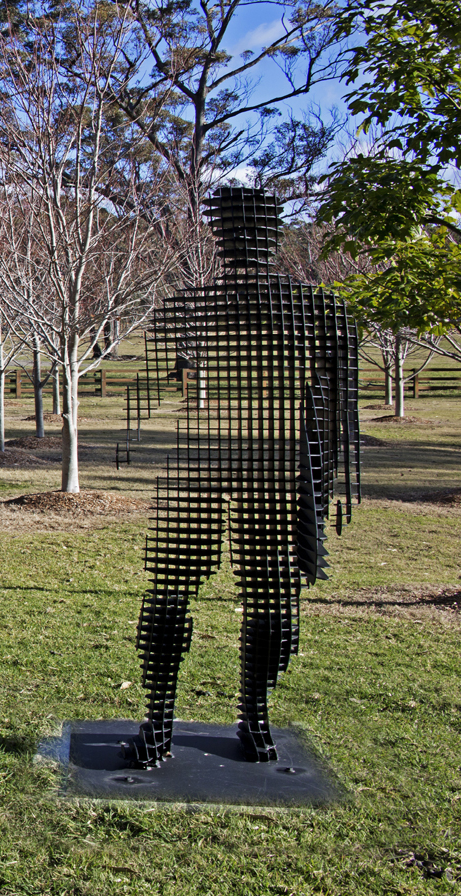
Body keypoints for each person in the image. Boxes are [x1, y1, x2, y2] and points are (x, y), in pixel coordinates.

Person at [123, 187, 360, 768]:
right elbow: (337, 409)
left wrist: (323, 490)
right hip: (243, 473)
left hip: (232, 472)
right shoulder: (314, 308)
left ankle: (225, 721)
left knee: (240, 597)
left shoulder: (193, 306)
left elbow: (336, 404)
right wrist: (327, 487)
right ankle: (211, 723)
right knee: (211, 596)